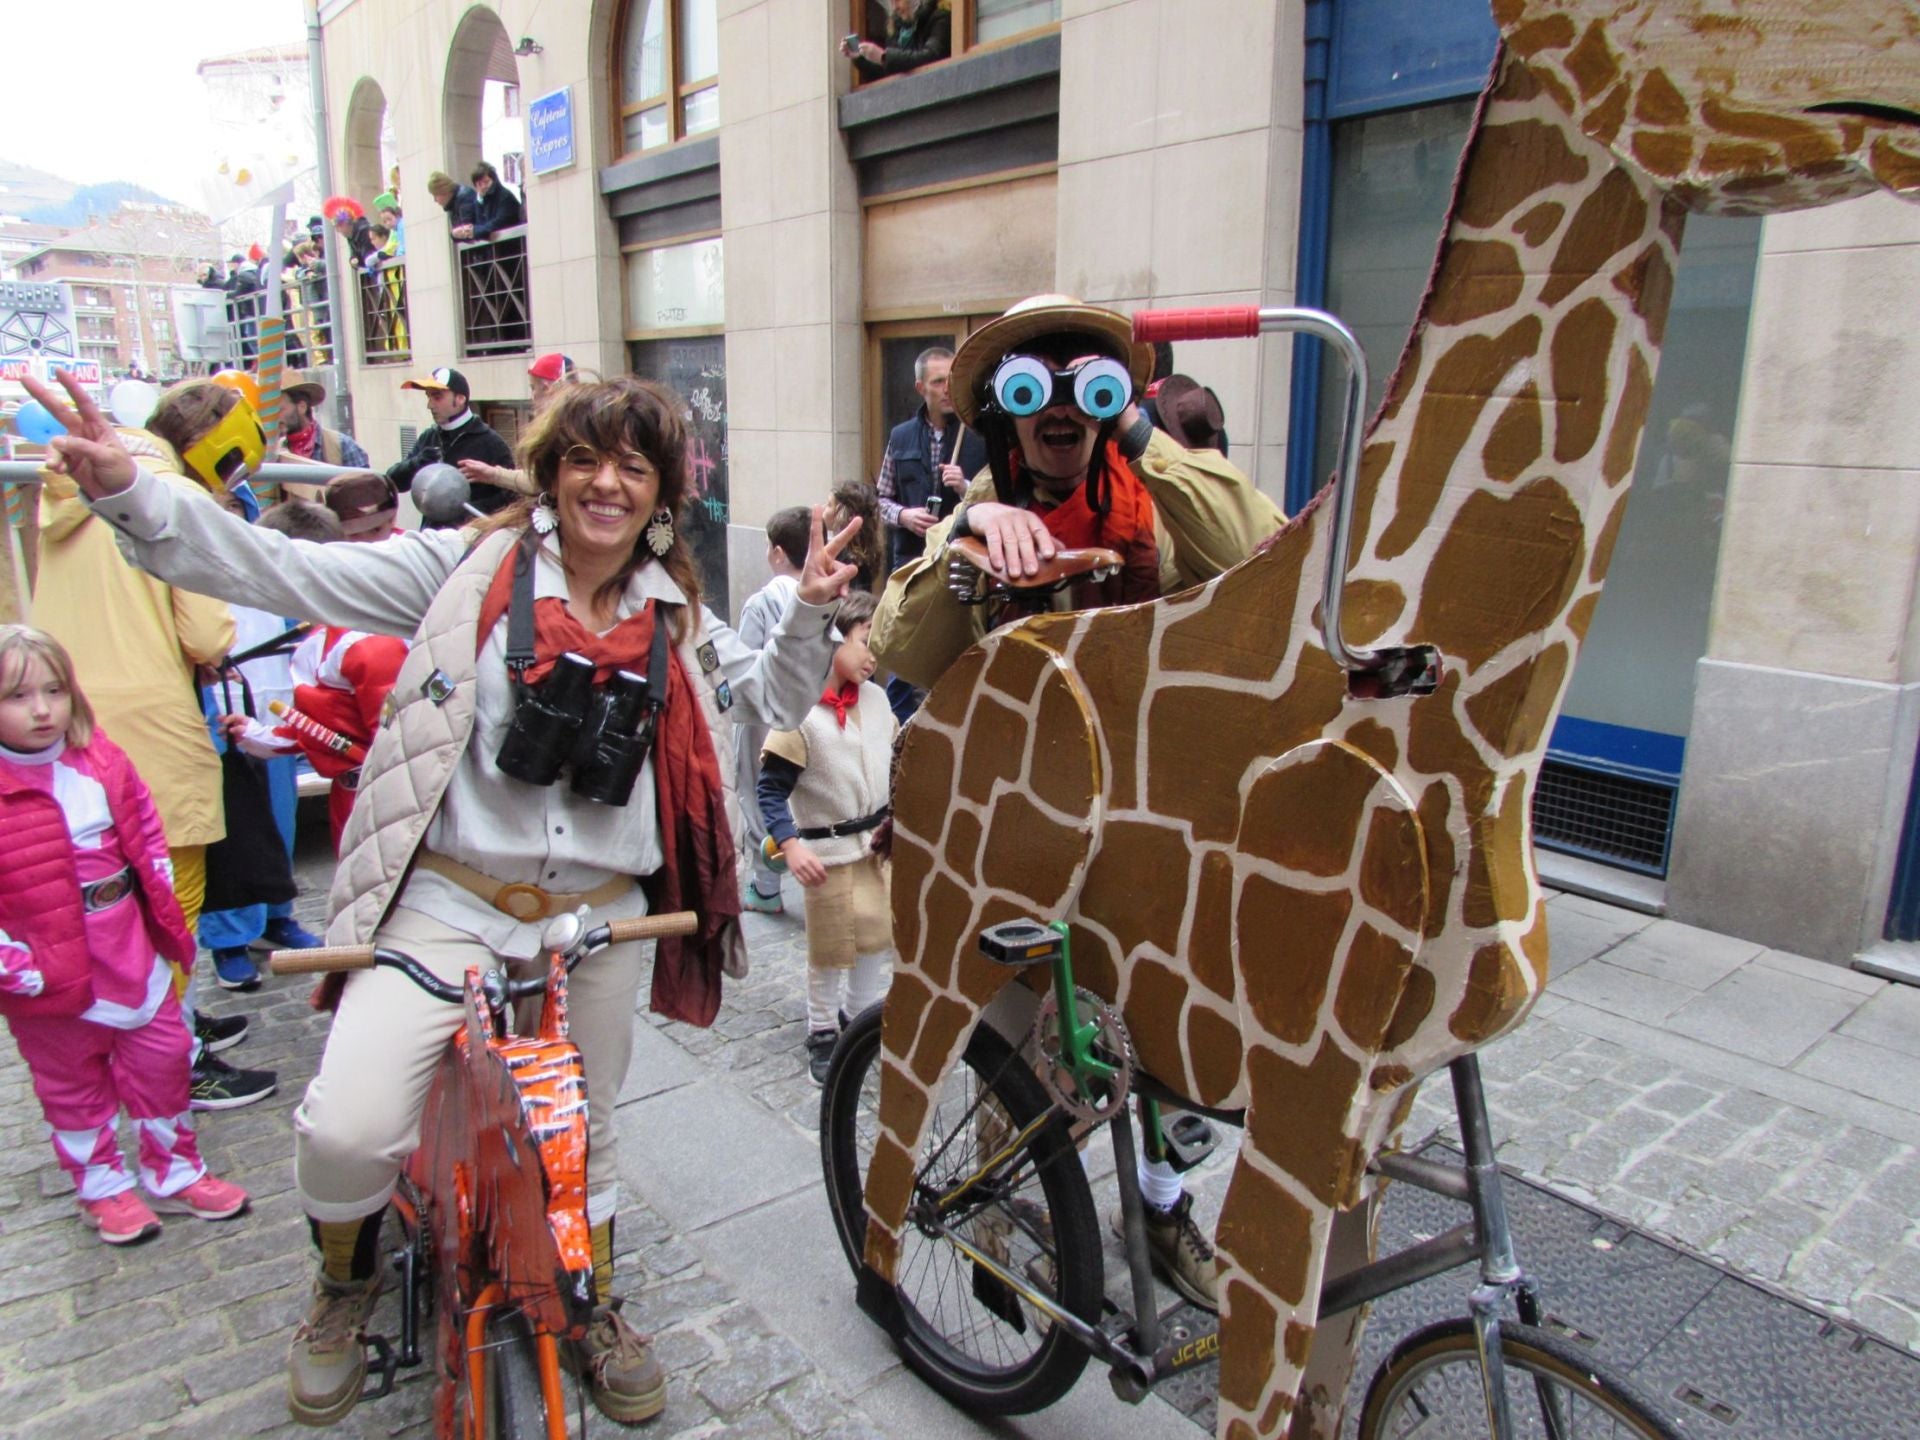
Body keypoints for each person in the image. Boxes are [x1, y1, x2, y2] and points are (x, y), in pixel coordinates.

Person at [24, 367, 859, 1427]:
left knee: (587, 1130)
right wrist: (135, 497)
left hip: (601, 912)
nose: (608, 484)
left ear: (660, 495)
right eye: (586, 460)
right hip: (450, 901)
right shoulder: (464, 570)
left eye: (634, 466)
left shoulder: (671, 610)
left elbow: (759, 702)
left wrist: (806, 620)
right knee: (347, 1129)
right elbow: (288, 571)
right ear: (551, 474)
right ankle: (344, 1279)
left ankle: (590, 1299)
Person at [871, 295, 1285, 1310]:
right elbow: (901, 649)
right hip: (1018, 839)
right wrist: (968, 528)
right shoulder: (977, 518)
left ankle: (1157, 1204)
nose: (1060, 406)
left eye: (1084, 381)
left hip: (1154, 829)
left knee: (1177, 1055)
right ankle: (1005, 1223)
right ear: (1003, 413)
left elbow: (1265, 551)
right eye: (1032, 386)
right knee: (1019, 1054)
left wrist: (1142, 432)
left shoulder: (1156, 502)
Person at [31, 379, 278, 1111]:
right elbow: (205, 635)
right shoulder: (173, 497)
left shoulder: (74, 489)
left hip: (68, 718)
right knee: (169, 902)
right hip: (149, 724)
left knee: (105, 900)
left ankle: (160, 1026)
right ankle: (171, 1060)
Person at [0, 624, 252, 1245]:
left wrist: (160, 901)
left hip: (129, 949)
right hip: (46, 972)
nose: (41, 709)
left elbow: (143, 824)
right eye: (18, 696)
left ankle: (175, 1171)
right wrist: (11, 962)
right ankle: (102, 1187)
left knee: (163, 1060)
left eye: (54, 690)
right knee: (73, 1084)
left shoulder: (100, 758)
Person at [756, 591, 894, 1083]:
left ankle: (859, 1023)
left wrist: (895, 818)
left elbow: (894, 766)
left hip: (876, 848)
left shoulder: (878, 701)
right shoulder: (801, 712)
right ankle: (821, 1030)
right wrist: (791, 845)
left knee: (875, 939)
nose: (872, 654)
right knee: (831, 948)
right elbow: (771, 791)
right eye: (863, 641)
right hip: (827, 854)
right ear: (833, 639)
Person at [226, 502, 407, 855]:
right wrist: (255, 734)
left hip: (381, 802)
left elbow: (396, 742)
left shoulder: (366, 639)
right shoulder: (321, 635)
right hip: (350, 794)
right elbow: (318, 724)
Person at [735, 506, 811, 915]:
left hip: (764, 719)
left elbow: (745, 670)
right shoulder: (820, 597)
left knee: (760, 793)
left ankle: (766, 888)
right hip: (809, 717)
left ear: (778, 553)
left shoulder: (762, 603)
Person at [875, 345, 988, 577]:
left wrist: (965, 486)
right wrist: (903, 516)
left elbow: (998, 501)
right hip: (912, 559)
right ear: (920, 387)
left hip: (964, 559)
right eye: (938, 382)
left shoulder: (980, 435)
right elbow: (880, 500)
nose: (947, 389)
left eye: (951, 381)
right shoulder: (900, 436)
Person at [386, 367, 518, 522]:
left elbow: (513, 496)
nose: (430, 405)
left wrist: (467, 512)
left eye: (437, 397)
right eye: (428, 397)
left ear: (460, 399)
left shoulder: (490, 442)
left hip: (472, 539)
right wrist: (418, 463)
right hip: (432, 537)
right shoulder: (429, 437)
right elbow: (392, 483)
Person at [457, 353, 579, 498]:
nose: (532, 396)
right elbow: (540, 482)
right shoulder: (578, 422)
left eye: (533, 388)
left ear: (547, 388)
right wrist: (493, 474)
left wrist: (494, 475)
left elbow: (540, 483)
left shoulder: (566, 429)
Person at [280, 373, 371, 469]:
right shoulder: (274, 451)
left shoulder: (343, 446)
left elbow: (365, 482)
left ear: (302, 407)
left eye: (279, 410)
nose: (274, 418)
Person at [843, 0, 952, 80]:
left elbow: (931, 56)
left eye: (897, 1)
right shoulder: (898, 28)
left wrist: (884, 57)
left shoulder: (940, 18)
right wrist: (859, 58)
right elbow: (887, 72)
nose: (895, 8)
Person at [323, 471, 402, 542]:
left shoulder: (407, 549)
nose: (364, 541)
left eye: (375, 530)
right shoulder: (331, 553)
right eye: (353, 534)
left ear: (392, 519)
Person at [466, 161, 524, 241]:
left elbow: (499, 222)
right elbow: (479, 224)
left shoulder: (505, 196)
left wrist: (474, 231)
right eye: (479, 184)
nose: (483, 187)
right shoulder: (481, 201)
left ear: (493, 180)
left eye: (486, 182)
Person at [427, 169, 479, 237]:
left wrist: (454, 235)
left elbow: (467, 233)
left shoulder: (464, 198)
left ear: (443, 191)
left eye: (435, 195)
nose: (435, 200)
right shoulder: (452, 204)